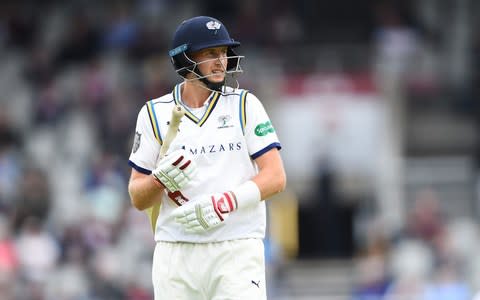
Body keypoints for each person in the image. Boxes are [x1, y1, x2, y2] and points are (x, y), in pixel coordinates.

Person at [127, 16, 286, 299]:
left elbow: (275, 177)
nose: (221, 61)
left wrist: (225, 202)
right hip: (175, 253)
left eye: (224, 53)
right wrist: (159, 181)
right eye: (210, 53)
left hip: (236, 248)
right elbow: (138, 198)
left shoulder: (245, 105)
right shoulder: (154, 113)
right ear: (185, 59)